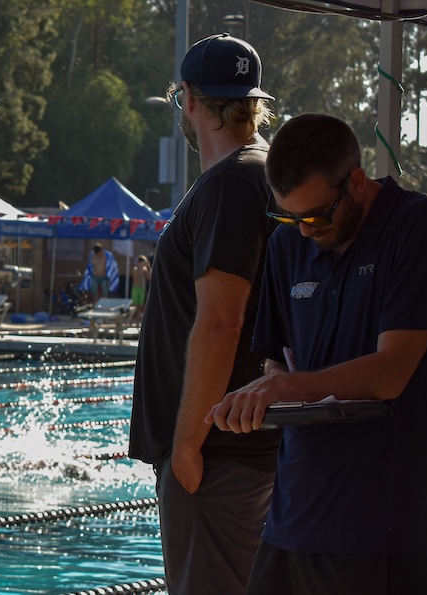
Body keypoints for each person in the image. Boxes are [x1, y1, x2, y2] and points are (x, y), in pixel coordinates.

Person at [207, 113, 427, 594]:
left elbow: (390, 373)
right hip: (293, 514)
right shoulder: (286, 244)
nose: (305, 231)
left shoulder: (418, 225)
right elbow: (277, 360)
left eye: (316, 216)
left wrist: (286, 386)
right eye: (289, 216)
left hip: (381, 522)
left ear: (357, 182)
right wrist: (269, 390)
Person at [127, 33, 279, 595]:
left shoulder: (231, 183)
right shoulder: (260, 172)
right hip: (239, 449)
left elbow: (221, 321)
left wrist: (187, 446)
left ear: (188, 99)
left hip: (218, 456)